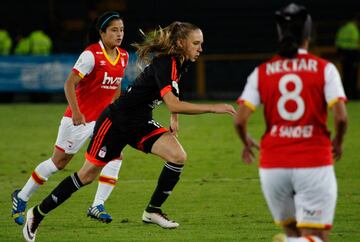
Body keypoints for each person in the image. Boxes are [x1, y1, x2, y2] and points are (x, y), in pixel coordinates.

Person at [22, 21, 235, 241]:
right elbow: (172, 102)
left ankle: (152, 210)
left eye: (201, 44)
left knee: (178, 156)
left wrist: (174, 118)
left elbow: (173, 93)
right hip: (116, 122)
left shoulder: (180, 61)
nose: (200, 48)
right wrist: (213, 107)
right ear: (181, 43)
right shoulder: (167, 62)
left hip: (140, 122)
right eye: (196, 43)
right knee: (86, 176)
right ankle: (37, 214)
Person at [234, 3, 347, 242]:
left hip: (273, 165)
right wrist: (337, 141)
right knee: (317, 236)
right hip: (314, 161)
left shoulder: (262, 72)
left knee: (293, 230)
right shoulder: (325, 69)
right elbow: (341, 116)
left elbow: (240, 119)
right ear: (308, 35)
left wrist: (246, 142)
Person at [12, 11, 128, 227]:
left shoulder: (123, 56)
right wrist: (76, 112)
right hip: (78, 120)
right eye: (114, 30)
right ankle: (21, 197)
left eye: (121, 29)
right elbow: (69, 84)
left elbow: (116, 87)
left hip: (102, 120)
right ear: (101, 32)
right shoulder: (91, 54)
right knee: (58, 163)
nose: (119, 34)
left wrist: (116, 111)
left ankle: (98, 205)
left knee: (115, 155)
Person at [335, 14, 360, 99]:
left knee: (345, 76)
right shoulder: (354, 29)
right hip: (352, 55)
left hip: (343, 55)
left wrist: (340, 54)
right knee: (353, 76)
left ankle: (345, 95)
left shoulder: (343, 28)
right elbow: (355, 43)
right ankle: (354, 95)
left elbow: (337, 42)